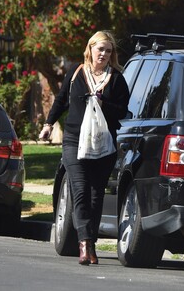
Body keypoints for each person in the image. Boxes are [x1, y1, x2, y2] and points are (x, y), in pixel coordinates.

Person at [39, 31, 129, 265]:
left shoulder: (117, 79)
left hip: (103, 145)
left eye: (108, 51)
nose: (104, 54)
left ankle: (91, 243)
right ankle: (84, 244)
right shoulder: (76, 73)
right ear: (90, 49)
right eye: (100, 49)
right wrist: (48, 124)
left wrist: (103, 103)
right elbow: (60, 101)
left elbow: (122, 110)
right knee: (79, 190)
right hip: (74, 141)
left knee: (96, 195)